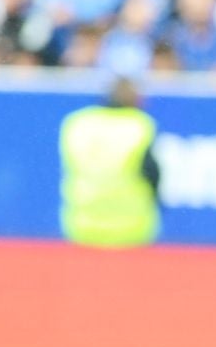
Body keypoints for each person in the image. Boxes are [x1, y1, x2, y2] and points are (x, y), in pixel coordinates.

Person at [58, 77, 161, 248]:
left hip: (81, 224)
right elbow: (152, 173)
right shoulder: (139, 124)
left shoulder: (78, 122)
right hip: (131, 227)